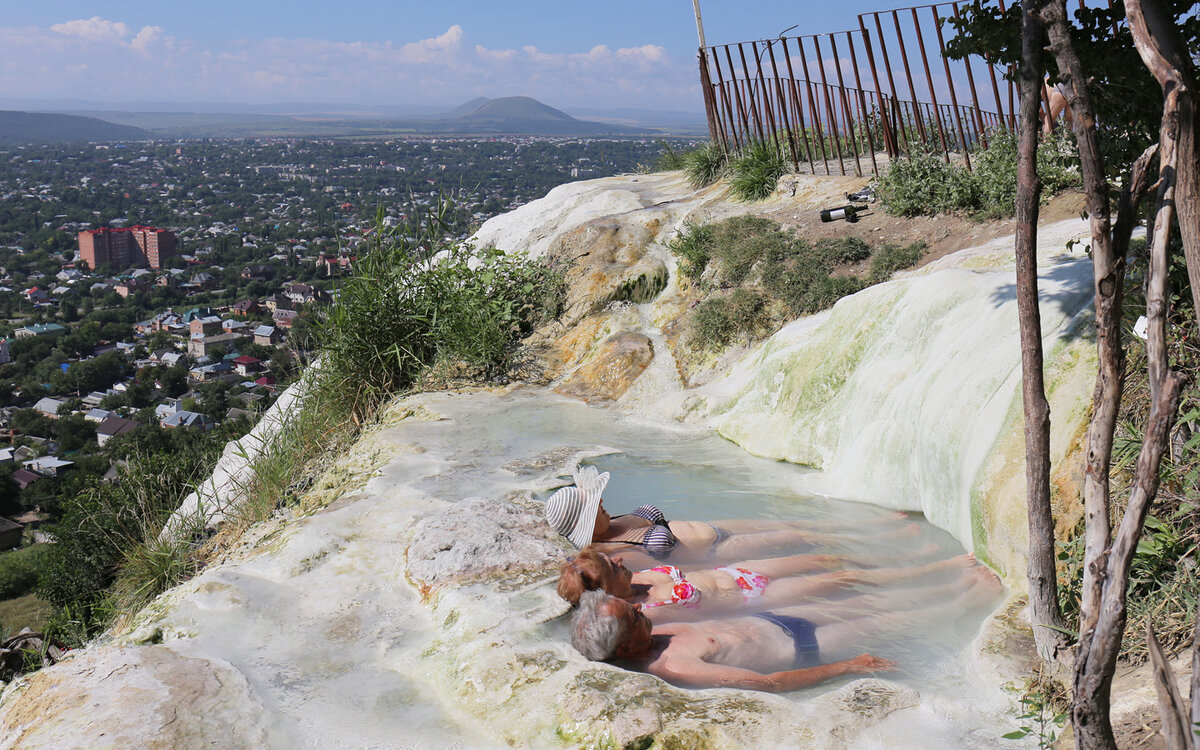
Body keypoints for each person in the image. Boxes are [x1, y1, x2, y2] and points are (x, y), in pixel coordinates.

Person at [569, 568, 1000, 692]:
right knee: (882, 623)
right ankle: (966, 604)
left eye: (634, 608)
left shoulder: (647, 632)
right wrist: (849, 665)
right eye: (635, 617)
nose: (644, 613)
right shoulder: (675, 666)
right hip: (806, 646)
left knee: (869, 603)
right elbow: (768, 683)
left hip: (777, 622)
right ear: (625, 650)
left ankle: (948, 586)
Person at [543, 466, 917, 566]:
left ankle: (877, 527)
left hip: (718, 528)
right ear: (586, 525)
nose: (604, 504)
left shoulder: (616, 524)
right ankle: (884, 551)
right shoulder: (613, 551)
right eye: (595, 507)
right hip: (715, 552)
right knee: (807, 543)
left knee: (799, 526)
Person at [556, 545, 973, 623]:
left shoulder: (641, 579)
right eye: (614, 566)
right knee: (844, 579)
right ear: (608, 590)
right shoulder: (645, 615)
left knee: (824, 558)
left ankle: (906, 557)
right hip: (752, 595)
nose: (621, 560)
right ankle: (943, 573)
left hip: (739, 571)